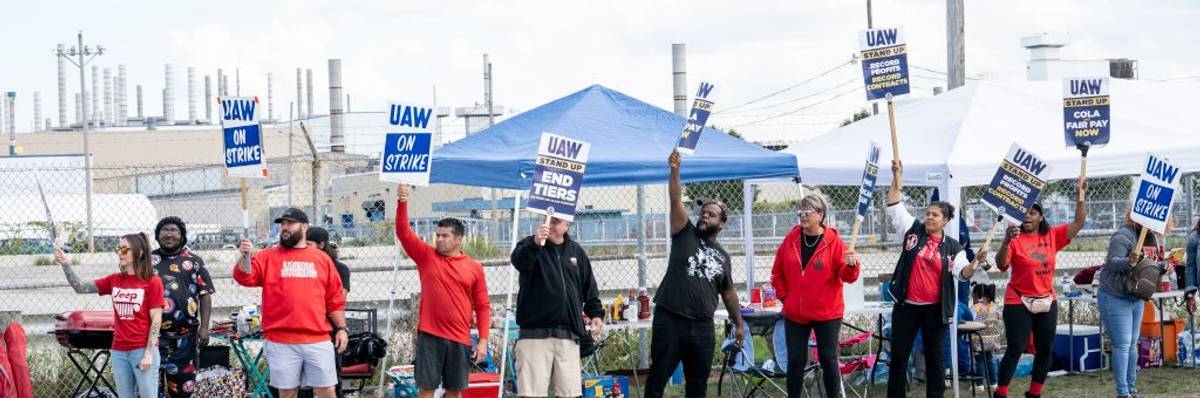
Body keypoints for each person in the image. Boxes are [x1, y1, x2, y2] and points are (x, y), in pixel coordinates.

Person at [644, 150, 745, 398]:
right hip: (671, 319)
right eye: (703, 213)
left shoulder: (723, 257)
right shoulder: (684, 232)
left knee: (698, 385)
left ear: (722, 223)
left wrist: (739, 323)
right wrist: (675, 170)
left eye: (711, 214)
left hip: (702, 326)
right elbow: (676, 198)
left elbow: (729, 293)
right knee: (657, 378)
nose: (704, 215)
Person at [884, 159, 988, 398]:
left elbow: (962, 274)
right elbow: (894, 205)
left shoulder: (952, 247)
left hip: (935, 310)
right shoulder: (913, 230)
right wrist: (895, 177)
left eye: (935, 215)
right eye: (928, 213)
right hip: (906, 307)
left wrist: (975, 261)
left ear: (946, 220)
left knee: (935, 359)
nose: (929, 217)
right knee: (899, 357)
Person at [233, 208, 348, 398]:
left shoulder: (322, 259)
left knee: (327, 390)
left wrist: (342, 328)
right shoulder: (267, 256)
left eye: (290, 224)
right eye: (282, 224)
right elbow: (246, 277)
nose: (284, 228)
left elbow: (334, 300)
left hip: (317, 338)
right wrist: (245, 256)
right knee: (287, 393)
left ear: (304, 227)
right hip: (280, 339)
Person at [991, 179, 1086, 398]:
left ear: (1040, 216)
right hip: (1018, 300)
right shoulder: (1014, 239)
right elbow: (1000, 264)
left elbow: (1079, 222)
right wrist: (1005, 241)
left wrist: (1080, 195)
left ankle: (1034, 393)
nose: (1027, 216)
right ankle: (1001, 392)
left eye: (1032, 212)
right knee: (1015, 348)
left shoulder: (1052, 235)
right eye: (1024, 212)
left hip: (1046, 299)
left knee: (1044, 349)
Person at [395, 184, 490, 398]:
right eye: (437, 235)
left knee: (454, 391)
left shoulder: (474, 267)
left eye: (445, 236)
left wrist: (483, 339)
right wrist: (402, 201)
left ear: (458, 239)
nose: (439, 239)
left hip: (460, 338)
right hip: (430, 336)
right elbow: (403, 232)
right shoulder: (426, 256)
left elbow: (483, 306)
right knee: (426, 389)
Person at [770, 193, 860, 397]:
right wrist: (786, 298)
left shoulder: (834, 242)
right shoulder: (791, 239)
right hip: (796, 313)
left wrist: (852, 265)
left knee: (828, 358)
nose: (802, 216)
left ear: (820, 215)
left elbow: (847, 277)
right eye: (800, 212)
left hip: (827, 312)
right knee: (795, 360)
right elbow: (777, 273)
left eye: (807, 212)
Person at [55, 233, 165, 398]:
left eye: (124, 249)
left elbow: (156, 318)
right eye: (118, 249)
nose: (120, 252)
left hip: (142, 349)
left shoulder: (152, 282)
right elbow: (80, 287)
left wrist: (149, 353)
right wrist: (65, 264)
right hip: (119, 350)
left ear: (140, 252)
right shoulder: (115, 280)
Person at [510, 215, 604, 397]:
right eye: (546, 220)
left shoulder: (576, 252)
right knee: (531, 393)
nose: (549, 225)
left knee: (570, 393)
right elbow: (519, 262)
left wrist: (596, 314)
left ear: (567, 224)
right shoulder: (529, 245)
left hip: (568, 334)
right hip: (534, 335)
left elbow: (589, 288)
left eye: (555, 222)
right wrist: (536, 243)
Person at [1099, 213, 1170, 398]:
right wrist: (1128, 261)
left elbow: (1150, 264)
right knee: (1122, 345)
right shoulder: (1123, 235)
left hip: (1136, 296)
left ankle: (1131, 389)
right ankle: (1123, 392)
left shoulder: (1152, 237)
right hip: (1115, 295)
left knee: (1131, 345)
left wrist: (1164, 266)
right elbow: (1112, 263)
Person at [151, 217, 215, 398]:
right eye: (165, 230)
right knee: (151, 391)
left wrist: (204, 328)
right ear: (157, 235)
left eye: (174, 230)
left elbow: (205, 295)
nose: (169, 234)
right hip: (152, 339)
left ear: (182, 236)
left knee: (182, 392)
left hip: (185, 339)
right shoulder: (147, 261)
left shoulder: (194, 262)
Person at [307, 226, 351, 398]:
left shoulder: (340, 268)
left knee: (331, 380)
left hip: (329, 328)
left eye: (308, 244)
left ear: (321, 245)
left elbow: (339, 300)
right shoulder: (304, 265)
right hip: (306, 327)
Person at [969, 283, 1001, 391]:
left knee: (980, 361)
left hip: (979, 341)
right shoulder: (995, 307)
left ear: (978, 295)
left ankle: (979, 384)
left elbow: (970, 320)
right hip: (992, 341)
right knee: (991, 359)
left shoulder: (975, 308)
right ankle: (993, 383)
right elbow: (998, 318)